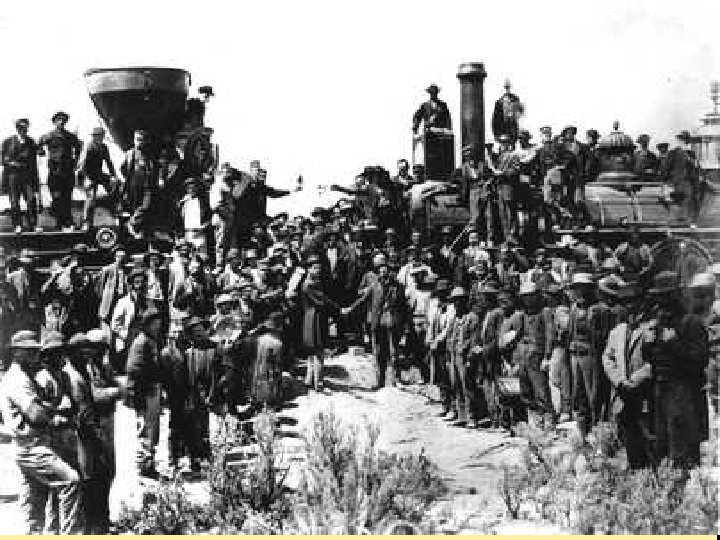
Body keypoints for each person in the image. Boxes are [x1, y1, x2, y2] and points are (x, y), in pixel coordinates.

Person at [0, 330, 84, 534]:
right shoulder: (17, 379)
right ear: (16, 353)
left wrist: (49, 408)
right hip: (31, 446)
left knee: (35, 502)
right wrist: (56, 411)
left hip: (34, 444)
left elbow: (41, 409)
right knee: (70, 481)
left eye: (34, 351)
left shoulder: (26, 376)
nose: (34, 355)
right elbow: (36, 415)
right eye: (28, 351)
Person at [642, 271, 708, 469]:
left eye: (666, 295)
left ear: (676, 295)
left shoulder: (691, 322)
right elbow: (652, 360)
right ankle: (667, 481)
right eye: (659, 296)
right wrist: (647, 345)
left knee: (682, 443)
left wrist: (674, 344)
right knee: (661, 441)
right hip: (660, 388)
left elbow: (700, 360)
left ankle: (684, 482)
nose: (661, 301)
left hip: (682, 390)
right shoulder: (659, 322)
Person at [602, 285, 653, 469]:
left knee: (647, 435)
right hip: (622, 394)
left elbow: (654, 360)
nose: (629, 307)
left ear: (641, 304)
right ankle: (635, 471)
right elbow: (607, 357)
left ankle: (652, 473)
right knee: (628, 434)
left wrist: (636, 380)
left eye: (632, 302)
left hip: (644, 393)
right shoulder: (617, 332)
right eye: (625, 303)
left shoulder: (649, 330)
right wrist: (618, 380)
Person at [125, 308, 165, 478]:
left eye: (158, 323)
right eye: (154, 323)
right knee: (145, 430)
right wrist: (139, 397)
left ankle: (149, 464)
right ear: (147, 325)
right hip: (144, 393)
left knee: (152, 430)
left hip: (152, 391)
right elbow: (134, 371)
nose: (157, 326)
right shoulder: (141, 343)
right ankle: (144, 467)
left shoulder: (151, 341)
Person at [513, 282, 555, 428]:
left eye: (530, 296)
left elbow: (550, 335)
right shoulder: (523, 315)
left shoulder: (545, 312)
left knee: (541, 390)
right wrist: (516, 359)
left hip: (537, 356)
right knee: (526, 391)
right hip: (524, 357)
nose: (527, 299)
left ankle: (548, 420)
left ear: (537, 296)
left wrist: (547, 357)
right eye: (525, 297)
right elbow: (519, 337)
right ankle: (535, 422)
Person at [37, 111, 83, 231]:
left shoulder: (70, 136)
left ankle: (67, 221)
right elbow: (38, 144)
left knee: (67, 197)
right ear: (54, 122)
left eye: (63, 120)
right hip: (54, 171)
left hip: (68, 171)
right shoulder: (49, 136)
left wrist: (75, 161)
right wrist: (41, 151)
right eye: (59, 120)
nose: (61, 122)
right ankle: (59, 222)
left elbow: (79, 146)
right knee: (56, 197)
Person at [300, 254, 339, 391]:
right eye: (315, 268)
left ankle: (309, 380)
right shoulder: (310, 285)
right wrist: (339, 309)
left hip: (310, 318)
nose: (318, 271)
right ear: (308, 269)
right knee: (319, 352)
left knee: (312, 352)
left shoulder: (310, 282)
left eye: (319, 268)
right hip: (315, 319)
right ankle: (319, 383)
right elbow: (323, 300)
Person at [446, 287, 479, 426]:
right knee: (456, 385)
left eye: (459, 301)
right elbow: (449, 336)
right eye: (455, 301)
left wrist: (470, 358)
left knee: (468, 386)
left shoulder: (472, 318)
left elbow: (474, 340)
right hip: (454, 355)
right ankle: (462, 415)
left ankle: (472, 416)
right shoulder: (454, 318)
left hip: (465, 356)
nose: (457, 304)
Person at [2, 118, 41, 233]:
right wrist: (11, 163)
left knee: (31, 199)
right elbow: (2, 159)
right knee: (14, 202)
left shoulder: (31, 141)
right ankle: (17, 225)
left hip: (27, 176)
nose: (23, 130)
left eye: (25, 128)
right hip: (13, 176)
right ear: (17, 128)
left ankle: (33, 225)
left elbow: (34, 160)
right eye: (21, 128)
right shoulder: (8, 141)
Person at [76, 126, 118, 230]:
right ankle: (86, 222)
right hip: (88, 174)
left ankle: (115, 211)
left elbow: (109, 162)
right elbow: (82, 165)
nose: (100, 138)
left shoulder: (104, 147)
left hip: (98, 173)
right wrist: (84, 179)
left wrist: (113, 176)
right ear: (94, 137)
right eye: (98, 136)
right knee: (91, 198)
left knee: (116, 186)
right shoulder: (88, 147)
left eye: (101, 136)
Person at [120, 129, 159, 238]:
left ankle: (131, 223)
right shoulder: (130, 153)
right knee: (135, 207)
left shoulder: (149, 154)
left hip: (147, 185)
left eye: (141, 140)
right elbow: (123, 168)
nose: (139, 142)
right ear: (134, 140)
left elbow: (154, 168)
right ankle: (136, 231)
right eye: (137, 139)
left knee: (145, 206)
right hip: (134, 185)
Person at [663, 130, 701, 226]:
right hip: (675, 182)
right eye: (682, 139)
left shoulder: (691, 154)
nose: (684, 142)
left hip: (687, 182)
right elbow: (666, 169)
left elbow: (696, 168)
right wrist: (667, 183)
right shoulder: (672, 153)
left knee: (688, 200)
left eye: (686, 140)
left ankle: (686, 222)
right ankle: (674, 223)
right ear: (679, 140)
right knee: (676, 202)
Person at [491, 79, 523, 144]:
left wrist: (516, 114)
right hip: (503, 129)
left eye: (508, 87)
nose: (507, 89)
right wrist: (497, 135)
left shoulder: (515, 99)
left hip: (513, 128)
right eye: (506, 87)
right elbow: (495, 120)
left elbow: (520, 110)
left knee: (513, 142)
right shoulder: (499, 102)